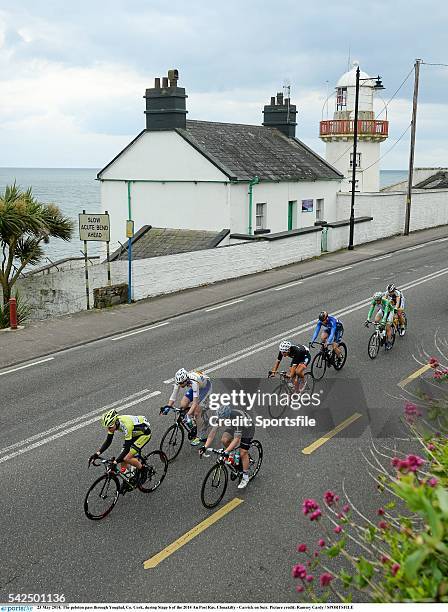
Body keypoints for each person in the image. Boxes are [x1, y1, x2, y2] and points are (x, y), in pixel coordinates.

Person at [200, 404, 255, 490]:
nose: (220, 422)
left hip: (247, 428)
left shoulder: (236, 418)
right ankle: (236, 458)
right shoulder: (222, 416)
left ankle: (245, 476)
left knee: (243, 452)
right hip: (234, 426)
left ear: (227, 417)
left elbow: (236, 439)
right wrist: (205, 447)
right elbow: (212, 433)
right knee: (224, 440)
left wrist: (226, 451)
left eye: (222, 420)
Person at [89, 409, 151, 484]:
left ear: (116, 422)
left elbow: (127, 449)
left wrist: (115, 462)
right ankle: (128, 476)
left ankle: (144, 470)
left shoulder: (126, 425)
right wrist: (97, 454)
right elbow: (108, 441)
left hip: (143, 434)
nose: (109, 429)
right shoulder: (112, 425)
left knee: (126, 458)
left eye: (110, 427)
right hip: (134, 434)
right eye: (107, 427)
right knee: (122, 455)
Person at [161, 368, 211, 446]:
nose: (180, 385)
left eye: (181, 383)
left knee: (197, 412)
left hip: (205, 388)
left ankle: (199, 436)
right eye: (179, 383)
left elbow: (194, 403)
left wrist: (188, 415)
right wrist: (168, 406)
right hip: (196, 387)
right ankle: (192, 422)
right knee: (183, 404)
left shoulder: (194, 383)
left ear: (186, 380)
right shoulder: (180, 382)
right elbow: (174, 395)